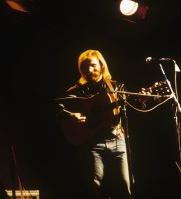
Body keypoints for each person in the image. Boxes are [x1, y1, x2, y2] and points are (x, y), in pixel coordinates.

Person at [56, 49, 133, 199]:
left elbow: (130, 109)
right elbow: (56, 108)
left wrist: (141, 101)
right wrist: (70, 115)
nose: (89, 70)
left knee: (125, 187)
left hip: (117, 140)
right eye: (84, 68)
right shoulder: (77, 91)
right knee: (96, 188)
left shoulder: (116, 87)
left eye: (92, 65)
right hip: (92, 142)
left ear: (101, 65)